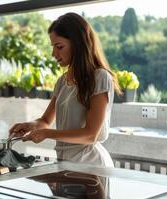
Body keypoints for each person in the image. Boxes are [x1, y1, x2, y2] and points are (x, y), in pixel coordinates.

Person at [9, 12, 121, 167]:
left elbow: (90, 134)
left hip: (92, 164)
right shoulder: (63, 81)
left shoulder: (100, 77)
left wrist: (48, 134)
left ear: (78, 43)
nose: (54, 54)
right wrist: (31, 126)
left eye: (59, 46)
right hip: (66, 163)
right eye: (53, 47)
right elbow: (45, 121)